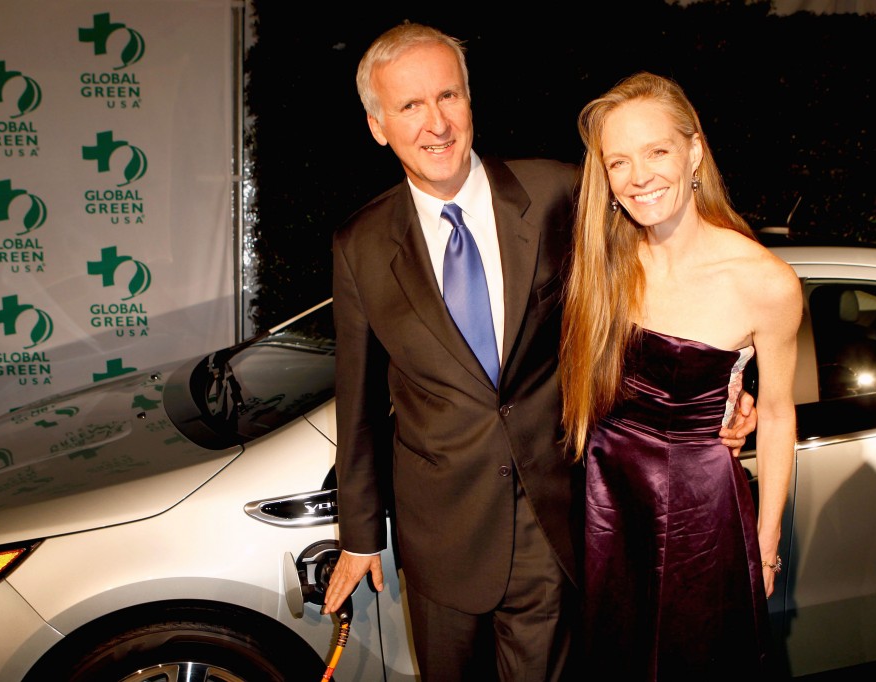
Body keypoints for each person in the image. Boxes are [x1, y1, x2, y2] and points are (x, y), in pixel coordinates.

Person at [321, 23, 756, 681]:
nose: (436, 123)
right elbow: (356, 401)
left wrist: (726, 380)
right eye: (410, 107)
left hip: (552, 517)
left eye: (449, 96)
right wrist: (359, 534)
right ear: (378, 125)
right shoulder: (359, 244)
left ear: (471, 102)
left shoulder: (557, 194)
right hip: (439, 534)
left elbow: (670, 270)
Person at [559, 71, 802, 680]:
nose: (639, 177)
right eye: (619, 162)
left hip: (696, 513)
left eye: (656, 151)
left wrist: (766, 545)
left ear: (694, 152)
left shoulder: (763, 281)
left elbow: (776, 415)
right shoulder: (602, 263)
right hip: (603, 501)